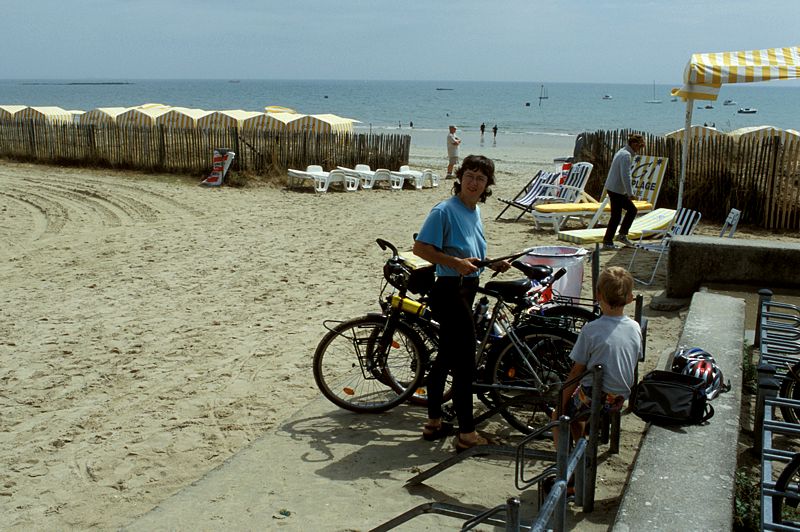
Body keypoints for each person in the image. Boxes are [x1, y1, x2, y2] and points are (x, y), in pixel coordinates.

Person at [413, 155, 511, 452]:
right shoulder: (444, 210)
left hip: (467, 288)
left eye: (481, 178)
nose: (474, 182)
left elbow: (469, 252)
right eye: (470, 175)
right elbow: (421, 248)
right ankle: (467, 434)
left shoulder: (475, 210)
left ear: (487, 185)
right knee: (466, 363)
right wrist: (454, 263)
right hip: (448, 290)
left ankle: (433, 422)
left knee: (445, 357)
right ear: (460, 177)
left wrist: (490, 264)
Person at [555, 266, 642, 444]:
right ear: (630, 298)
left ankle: (567, 461)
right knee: (578, 404)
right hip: (620, 395)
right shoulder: (635, 327)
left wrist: (561, 401)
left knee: (560, 414)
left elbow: (576, 372)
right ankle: (582, 446)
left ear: (598, 295)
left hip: (597, 396)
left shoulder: (591, 330)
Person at [602, 133, 646, 250]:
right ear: (633, 144)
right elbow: (625, 175)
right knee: (631, 210)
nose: (639, 149)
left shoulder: (622, 151)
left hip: (613, 188)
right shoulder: (626, 155)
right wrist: (630, 193)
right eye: (639, 146)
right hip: (616, 189)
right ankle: (616, 238)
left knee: (616, 216)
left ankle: (611, 239)